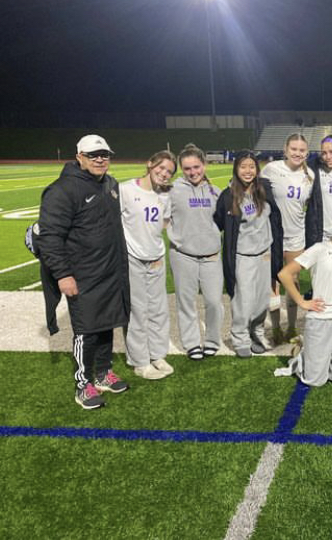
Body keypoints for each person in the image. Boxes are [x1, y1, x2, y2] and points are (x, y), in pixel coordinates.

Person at [37, 134, 130, 409]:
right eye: (93, 155)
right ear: (79, 157)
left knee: (106, 324)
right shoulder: (62, 190)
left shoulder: (110, 184)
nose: (100, 159)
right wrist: (63, 275)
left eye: (105, 154)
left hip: (110, 271)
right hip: (83, 274)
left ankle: (102, 373)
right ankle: (83, 384)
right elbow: (50, 237)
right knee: (86, 329)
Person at [275, 209, 332, 386]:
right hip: (321, 317)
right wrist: (301, 302)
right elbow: (285, 274)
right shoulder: (320, 249)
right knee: (315, 380)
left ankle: (322, 355)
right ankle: (301, 353)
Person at [214, 150, 283, 357]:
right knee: (243, 300)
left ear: (257, 169)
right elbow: (218, 222)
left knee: (262, 299)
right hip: (242, 255)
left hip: (264, 253)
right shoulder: (228, 196)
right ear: (236, 169)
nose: (247, 171)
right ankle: (240, 336)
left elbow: (275, 219)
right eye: (243, 166)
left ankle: (257, 332)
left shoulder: (264, 191)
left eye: (251, 166)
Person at [120, 150, 176, 380]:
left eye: (169, 172)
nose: (164, 174)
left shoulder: (165, 196)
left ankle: (157, 354)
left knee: (158, 309)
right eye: (161, 168)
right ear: (149, 164)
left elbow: (163, 224)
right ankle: (139, 361)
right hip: (133, 258)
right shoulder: (125, 190)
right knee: (138, 311)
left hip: (156, 258)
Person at [168, 143, 224, 361]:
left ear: (204, 165)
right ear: (182, 169)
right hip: (183, 256)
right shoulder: (172, 190)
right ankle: (192, 343)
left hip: (211, 257)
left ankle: (211, 341)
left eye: (196, 167)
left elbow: (221, 221)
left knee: (213, 302)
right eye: (188, 168)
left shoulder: (214, 192)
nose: (193, 172)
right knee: (186, 302)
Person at [261, 133, 315, 343]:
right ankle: (275, 328)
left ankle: (291, 327)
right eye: (294, 149)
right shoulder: (271, 169)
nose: (297, 153)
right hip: (272, 236)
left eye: (302, 150)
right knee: (273, 283)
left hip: (296, 237)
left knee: (292, 282)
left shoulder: (309, 175)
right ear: (285, 149)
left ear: (307, 153)